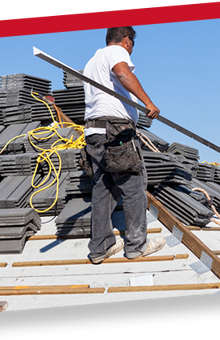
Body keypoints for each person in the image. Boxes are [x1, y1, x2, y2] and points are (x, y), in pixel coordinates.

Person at [82, 26, 165, 264]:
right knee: (134, 184)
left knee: (104, 188)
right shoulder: (116, 53)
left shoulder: (92, 62)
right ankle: (137, 245)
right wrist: (148, 102)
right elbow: (122, 73)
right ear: (126, 40)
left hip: (94, 132)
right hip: (115, 130)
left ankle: (100, 247)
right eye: (132, 45)